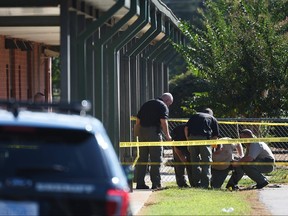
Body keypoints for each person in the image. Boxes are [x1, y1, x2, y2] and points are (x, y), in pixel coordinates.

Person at [134, 92, 173, 190]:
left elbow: (138, 121)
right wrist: (168, 136)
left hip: (142, 132)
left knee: (142, 159)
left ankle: (140, 183)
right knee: (156, 159)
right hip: (153, 133)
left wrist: (137, 134)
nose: (168, 106)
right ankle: (156, 184)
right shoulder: (163, 106)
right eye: (169, 104)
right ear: (167, 100)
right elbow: (163, 122)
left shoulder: (147, 104)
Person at [184, 108, 219, 188]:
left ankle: (196, 183)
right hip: (204, 139)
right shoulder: (212, 118)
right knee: (206, 162)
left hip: (192, 139)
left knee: (194, 162)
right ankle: (205, 184)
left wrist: (188, 139)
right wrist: (212, 147)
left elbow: (186, 128)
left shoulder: (195, 115)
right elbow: (215, 136)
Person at [171, 123, 193, 188]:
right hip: (178, 143)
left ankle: (194, 183)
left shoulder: (197, 131)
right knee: (179, 163)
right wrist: (181, 157)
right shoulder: (179, 132)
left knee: (191, 163)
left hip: (189, 145)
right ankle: (181, 183)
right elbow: (176, 147)